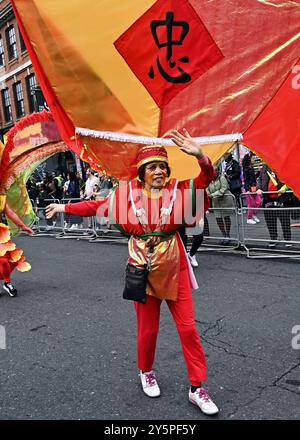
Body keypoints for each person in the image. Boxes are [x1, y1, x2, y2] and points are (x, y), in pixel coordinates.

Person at [46, 129, 219, 416]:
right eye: (152, 167)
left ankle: (197, 388)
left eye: (163, 166)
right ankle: (146, 371)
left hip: (174, 268)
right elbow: (96, 206)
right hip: (143, 269)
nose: (159, 171)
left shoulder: (179, 190)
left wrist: (200, 156)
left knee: (188, 329)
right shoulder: (125, 196)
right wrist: (64, 206)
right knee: (148, 330)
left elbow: (205, 180)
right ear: (142, 173)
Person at [0, 194, 32, 297]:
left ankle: (7, 282)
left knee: (4, 261)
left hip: (0, 233)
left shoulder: (1, 197)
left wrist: (23, 226)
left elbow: (11, 213)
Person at [257, 165, 292, 247]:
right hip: (268, 198)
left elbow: (290, 180)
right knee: (270, 221)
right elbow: (259, 179)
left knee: (285, 220)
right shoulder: (264, 168)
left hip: (282, 198)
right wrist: (259, 188)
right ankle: (273, 238)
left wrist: (285, 188)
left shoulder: (283, 166)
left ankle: (287, 239)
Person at [206, 165, 236, 245]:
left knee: (226, 217)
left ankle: (228, 235)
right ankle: (223, 235)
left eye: (214, 171)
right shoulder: (209, 179)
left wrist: (212, 195)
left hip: (225, 200)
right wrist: (209, 194)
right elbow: (207, 189)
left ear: (217, 171)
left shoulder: (222, 177)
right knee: (218, 218)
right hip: (216, 201)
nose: (212, 173)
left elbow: (223, 189)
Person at [242, 154, 261, 224]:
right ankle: (249, 218)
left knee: (258, 202)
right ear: (249, 160)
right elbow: (246, 180)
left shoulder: (251, 168)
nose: (253, 160)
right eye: (252, 158)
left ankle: (253, 215)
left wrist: (258, 172)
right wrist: (247, 190)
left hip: (253, 188)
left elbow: (253, 178)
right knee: (251, 203)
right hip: (248, 189)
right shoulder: (246, 169)